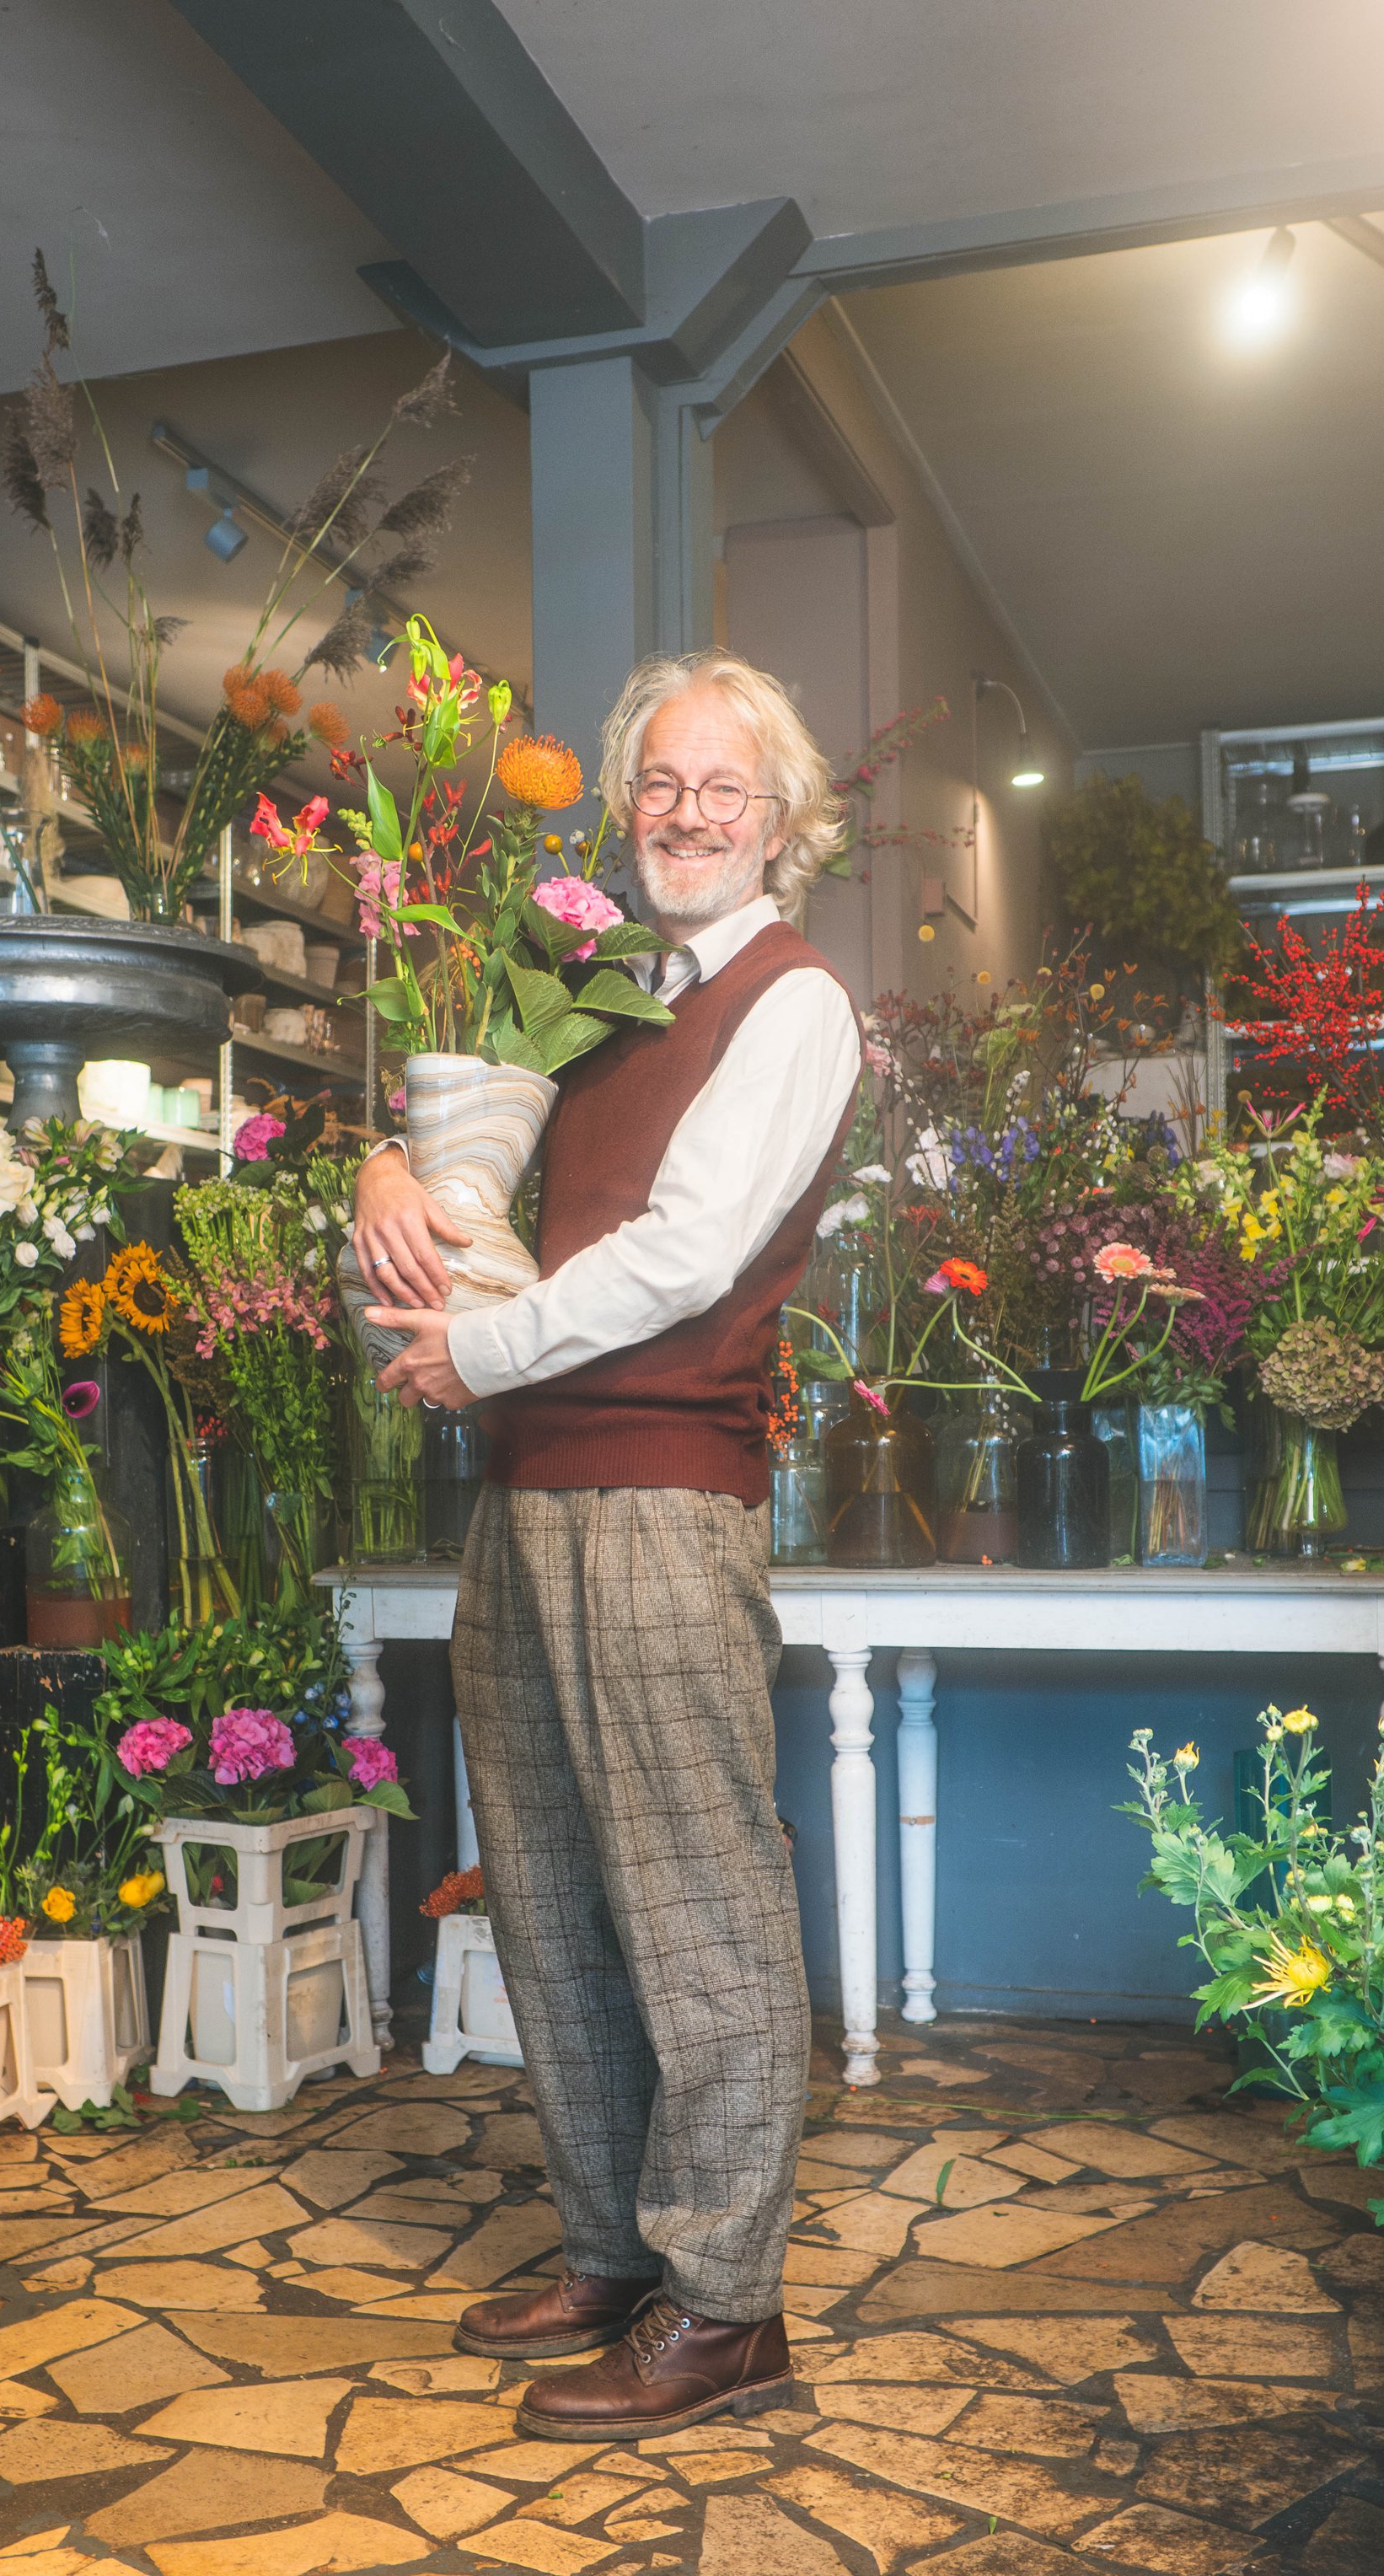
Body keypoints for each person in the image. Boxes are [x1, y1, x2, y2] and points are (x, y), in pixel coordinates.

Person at [354, 650, 863, 2439]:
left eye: (725, 787)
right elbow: (464, 1163)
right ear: (625, 810)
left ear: (783, 823)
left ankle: (725, 2306)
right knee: (555, 1889)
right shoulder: (597, 990)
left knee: (695, 1894)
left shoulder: (790, 1002)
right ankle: (606, 2250)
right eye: (660, 782)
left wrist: (470, 1347)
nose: (687, 813)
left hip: (655, 1486)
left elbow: (688, 1252)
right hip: (525, 1488)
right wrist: (383, 1176)